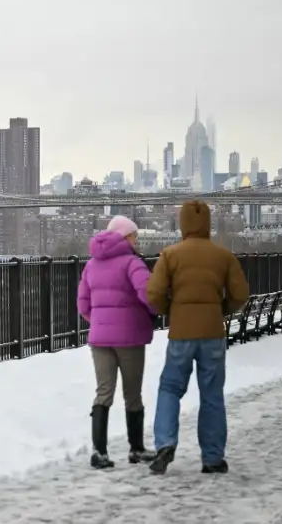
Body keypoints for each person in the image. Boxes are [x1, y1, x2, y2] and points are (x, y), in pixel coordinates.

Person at [146, 200, 250, 475]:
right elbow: (240, 294)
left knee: (170, 388)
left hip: (181, 333)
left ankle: (165, 443)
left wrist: (172, 311)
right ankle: (213, 458)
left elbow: (154, 293)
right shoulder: (223, 256)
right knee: (212, 394)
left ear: (182, 223)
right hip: (213, 333)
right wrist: (219, 310)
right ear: (207, 224)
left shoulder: (170, 255)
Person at [77, 215, 158, 469]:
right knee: (132, 394)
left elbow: (83, 304)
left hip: (100, 339)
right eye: (134, 236)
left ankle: (99, 451)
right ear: (125, 237)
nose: (136, 240)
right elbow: (149, 294)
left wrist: (100, 322)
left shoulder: (91, 265)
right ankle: (136, 449)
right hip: (129, 337)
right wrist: (155, 312)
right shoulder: (132, 262)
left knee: (104, 391)